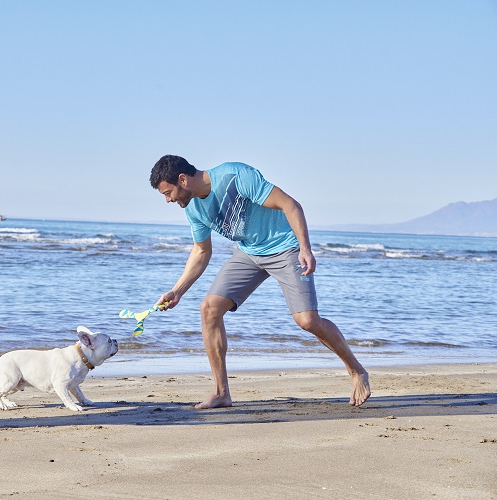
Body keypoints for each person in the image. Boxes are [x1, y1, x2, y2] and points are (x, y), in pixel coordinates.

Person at [149, 155, 371, 409]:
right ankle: (221, 393)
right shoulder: (194, 208)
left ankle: (357, 371)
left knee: (308, 321)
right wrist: (177, 291)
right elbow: (201, 251)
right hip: (250, 252)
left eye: (168, 193)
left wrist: (305, 248)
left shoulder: (234, 177)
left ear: (182, 179)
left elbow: (291, 205)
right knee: (209, 309)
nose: (168, 200)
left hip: (285, 247)